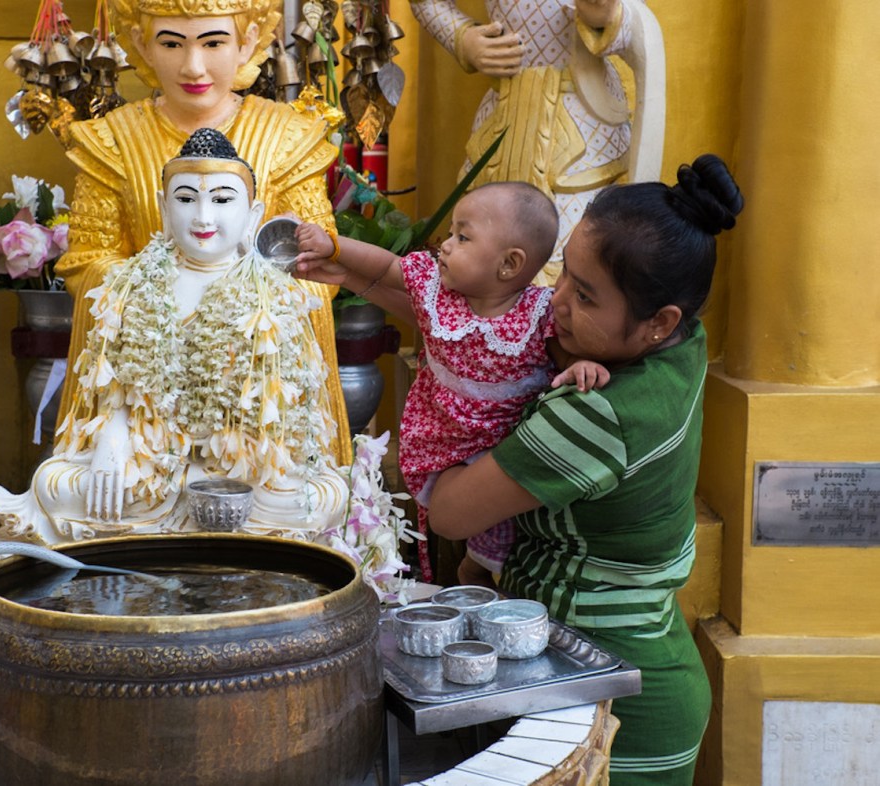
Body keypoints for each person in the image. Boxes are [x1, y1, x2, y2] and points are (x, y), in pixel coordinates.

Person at [423, 155, 744, 784]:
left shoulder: (598, 416)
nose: (556, 304)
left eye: (586, 295)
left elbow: (451, 511)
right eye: (563, 274)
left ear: (660, 323)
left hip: (613, 702)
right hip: (617, 666)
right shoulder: (683, 350)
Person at [0, 130, 349, 550]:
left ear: (253, 213)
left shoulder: (276, 295)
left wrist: (239, 454)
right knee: (54, 483)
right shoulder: (131, 286)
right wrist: (114, 439)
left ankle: (166, 529)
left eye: (223, 200)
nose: (204, 218)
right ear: (163, 208)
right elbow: (110, 390)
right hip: (149, 463)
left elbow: (290, 414)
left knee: (316, 498)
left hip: (242, 472)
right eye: (187, 199)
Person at [53, 0, 350, 464]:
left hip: (255, 390)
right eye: (171, 43)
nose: (193, 66)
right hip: (143, 389)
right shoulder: (111, 141)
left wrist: (232, 313)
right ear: (140, 45)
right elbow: (87, 263)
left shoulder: (288, 137)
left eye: (214, 42)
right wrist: (167, 297)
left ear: (249, 40)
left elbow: (311, 269)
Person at [295, 182, 607, 583]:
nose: (444, 245)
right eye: (451, 234)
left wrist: (585, 366)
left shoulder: (539, 314)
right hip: (440, 440)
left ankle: (473, 577)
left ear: (509, 264)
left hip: (501, 452)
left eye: (463, 237)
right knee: (448, 527)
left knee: (495, 543)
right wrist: (334, 247)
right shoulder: (436, 291)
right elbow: (388, 267)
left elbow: (570, 351)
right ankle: (456, 576)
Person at [409, 0, 664, 281]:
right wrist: (464, 38)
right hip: (504, 115)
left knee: (576, 257)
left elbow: (638, 28)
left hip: (579, 129)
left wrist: (611, 17)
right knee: (481, 257)